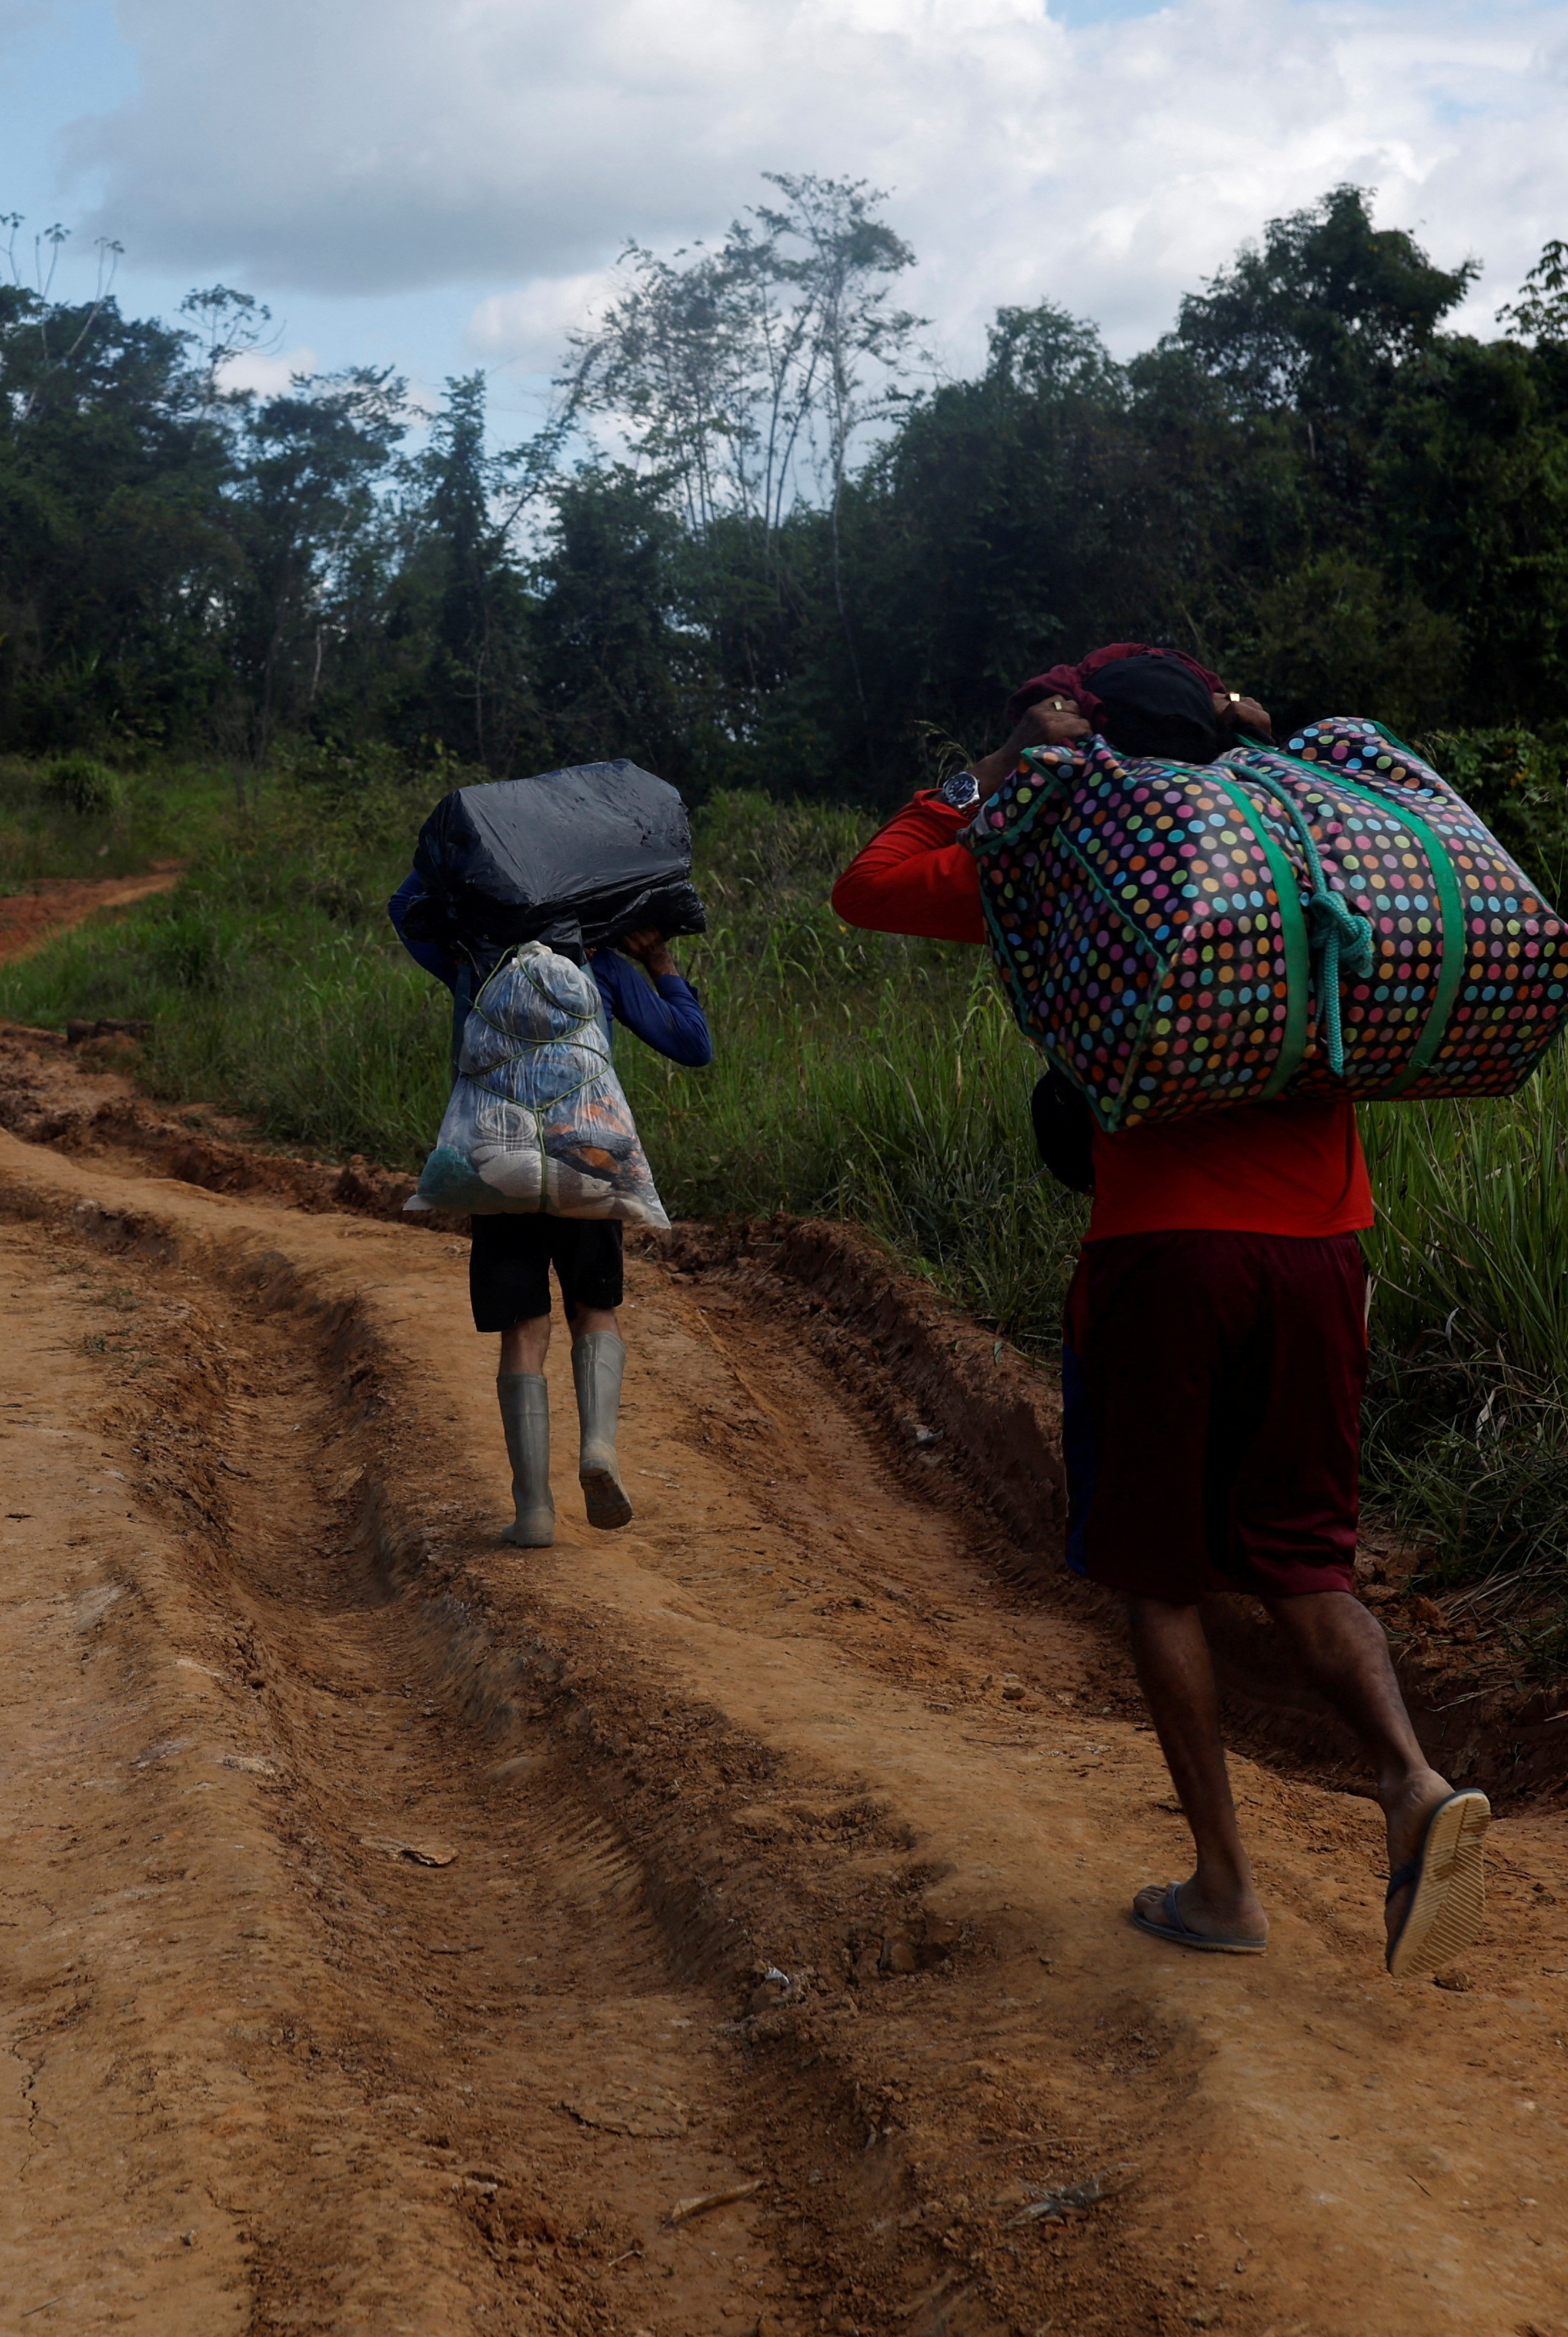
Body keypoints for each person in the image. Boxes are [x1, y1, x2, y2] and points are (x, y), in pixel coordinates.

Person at [827, 642, 1489, 1981]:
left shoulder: (1070, 853)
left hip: (1164, 1253)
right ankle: (1413, 1779)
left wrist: (1009, 757)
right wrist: (1258, 722)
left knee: (1160, 1576)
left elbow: (873, 885)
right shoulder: (1311, 838)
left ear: (1092, 732)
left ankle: (1227, 1885)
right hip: (1324, 1254)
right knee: (1308, 1561)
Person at [389, 877, 713, 1547]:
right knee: (594, 1310)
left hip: (494, 1167)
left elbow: (407, 908)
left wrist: (456, 857)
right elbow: (692, 1044)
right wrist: (660, 962)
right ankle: (598, 1447)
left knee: (523, 1327)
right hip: (585, 1163)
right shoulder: (600, 967)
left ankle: (534, 1510)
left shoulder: (471, 962)